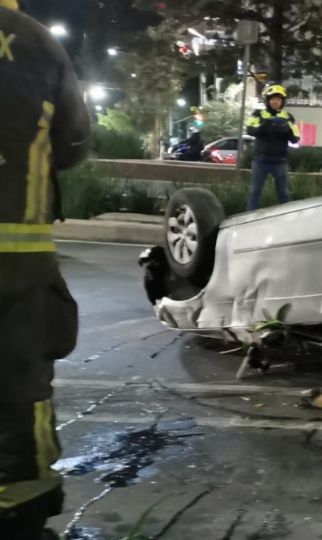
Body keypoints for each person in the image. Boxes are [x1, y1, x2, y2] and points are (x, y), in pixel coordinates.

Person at [0, 0, 92, 537]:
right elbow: (74, 142)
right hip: (19, 257)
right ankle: (21, 503)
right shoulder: (36, 41)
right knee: (20, 382)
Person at [246, 82, 301, 210]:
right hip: (261, 160)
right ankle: (248, 218)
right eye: (273, 99)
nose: (276, 102)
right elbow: (250, 130)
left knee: (284, 194)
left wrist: (286, 130)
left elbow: (295, 138)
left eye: (279, 99)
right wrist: (265, 125)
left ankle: (287, 218)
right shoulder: (258, 114)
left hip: (280, 161)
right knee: (255, 192)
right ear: (267, 100)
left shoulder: (288, 117)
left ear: (282, 101)